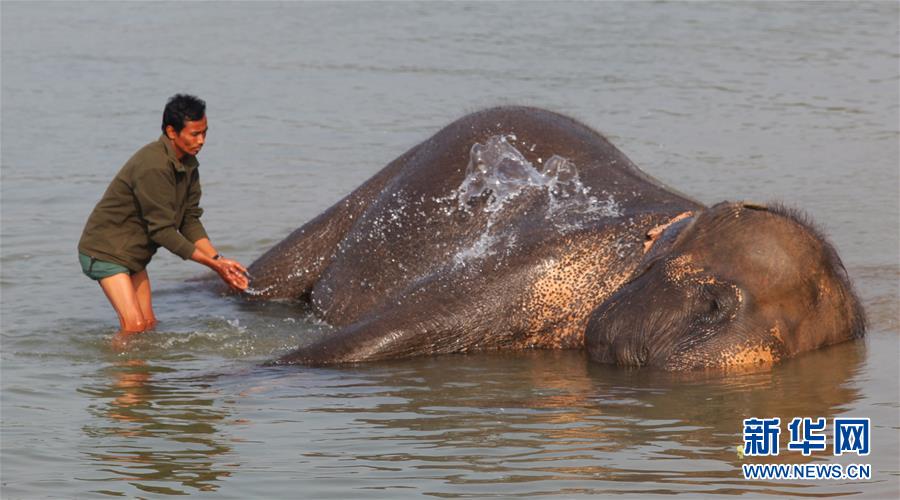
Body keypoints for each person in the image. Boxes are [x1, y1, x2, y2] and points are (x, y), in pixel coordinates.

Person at [78, 94, 248, 345]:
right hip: (105, 252)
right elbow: (162, 232)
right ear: (172, 131)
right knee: (133, 326)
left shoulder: (188, 164)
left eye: (205, 133)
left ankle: (140, 381)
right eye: (194, 134)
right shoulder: (153, 166)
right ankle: (121, 380)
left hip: (133, 254)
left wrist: (219, 260)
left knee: (148, 326)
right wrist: (213, 267)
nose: (201, 141)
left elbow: (188, 220)